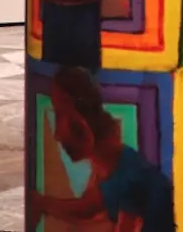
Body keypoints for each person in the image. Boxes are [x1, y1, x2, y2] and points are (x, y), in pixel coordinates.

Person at [30, 66, 175, 230]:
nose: (57, 134)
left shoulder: (130, 178)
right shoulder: (111, 164)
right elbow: (87, 208)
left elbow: (88, 210)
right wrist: (43, 203)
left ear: (80, 122)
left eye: (60, 115)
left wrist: (43, 203)